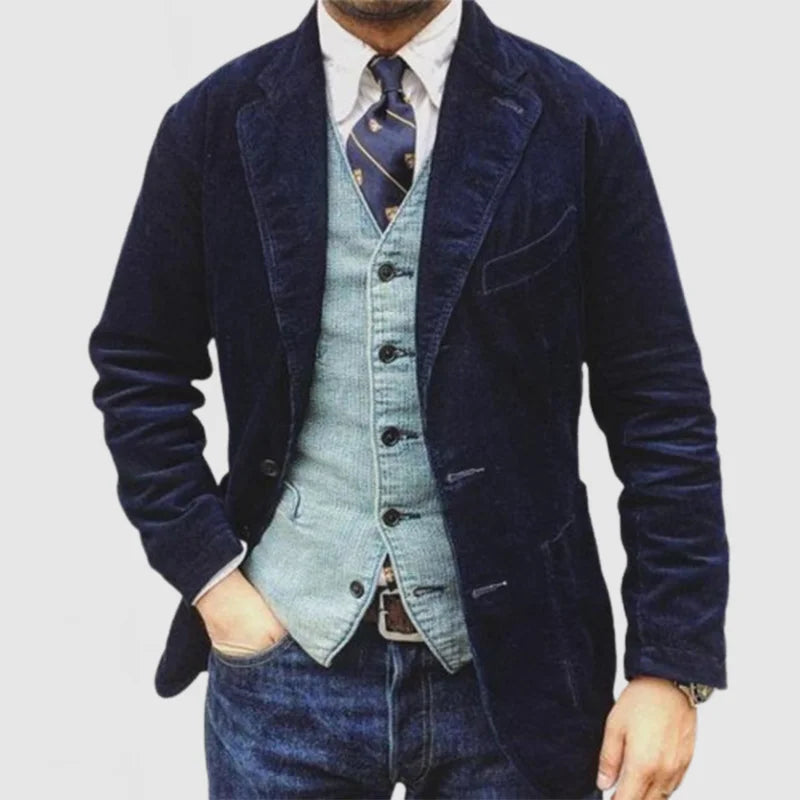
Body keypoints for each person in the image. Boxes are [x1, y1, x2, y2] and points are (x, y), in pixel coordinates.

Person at [88, 1, 729, 797]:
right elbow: (140, 365)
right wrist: (213, 579)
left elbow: (659, 402)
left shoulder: (577, 121)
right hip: (286, 671)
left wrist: (670, 664)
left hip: (519, 675)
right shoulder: (214, 124)